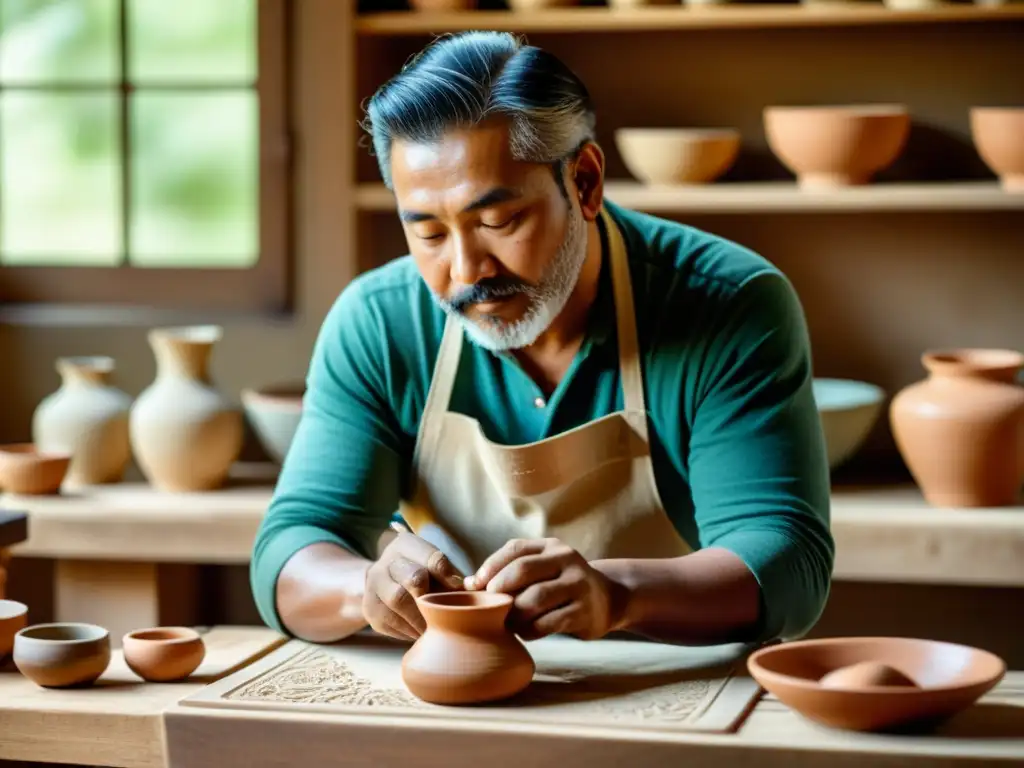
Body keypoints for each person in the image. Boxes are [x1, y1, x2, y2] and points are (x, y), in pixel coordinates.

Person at [249, 31, 834, 648]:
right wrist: (362, 586)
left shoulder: (727, 303)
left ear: (583, 182)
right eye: (428, 234)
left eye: (498, 221)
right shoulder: (379, 321)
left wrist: (619, 595)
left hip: (680, 690)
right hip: (460, 693)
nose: (467, 270)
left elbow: (788, 562)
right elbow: (291, 545)